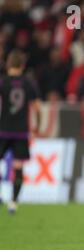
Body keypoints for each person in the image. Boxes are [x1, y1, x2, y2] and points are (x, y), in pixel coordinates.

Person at [0, 50, 41, 214]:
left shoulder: (3, 82)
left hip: (2, 130)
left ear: (9, 64)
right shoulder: (29, 83)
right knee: (18, 166)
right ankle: (14, 203)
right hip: (21, 132)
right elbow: (37, 108)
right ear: (22, 65)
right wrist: (38, 125)